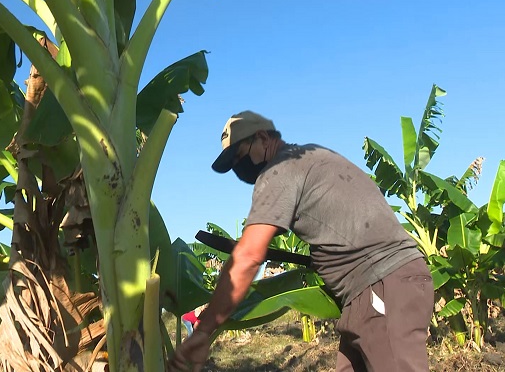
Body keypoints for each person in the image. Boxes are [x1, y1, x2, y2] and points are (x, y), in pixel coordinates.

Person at [169, 111, 434, 372]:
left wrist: (204, 330)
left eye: (240, 155)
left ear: (262, 138)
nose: (240, 168)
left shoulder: (278, 171)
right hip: (369, 292)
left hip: (382, 285)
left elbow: (248, 257)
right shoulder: (312, 156)